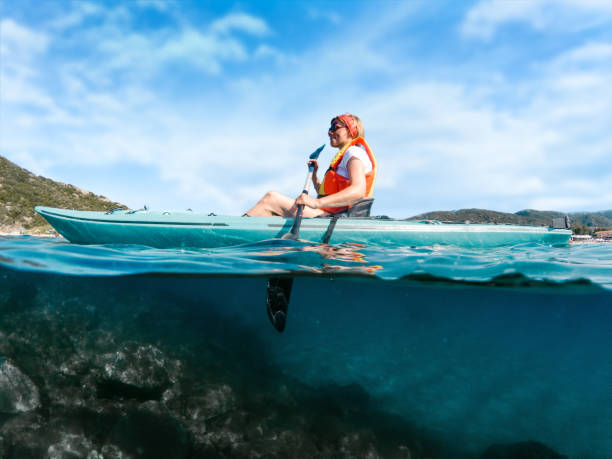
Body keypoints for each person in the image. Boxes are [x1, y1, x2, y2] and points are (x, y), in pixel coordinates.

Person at [245, 113, 377, 217]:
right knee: (270, 213)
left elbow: (358, 190)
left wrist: (315, 202)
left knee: (271, 198)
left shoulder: (354, 152)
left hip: (334, 217)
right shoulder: (346, 156)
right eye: (330, 129)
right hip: (330, 213)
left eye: (335, 128)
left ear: (352, 130)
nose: (330, 132)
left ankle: (230, 235)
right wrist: (314, 176)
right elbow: (325, 195)